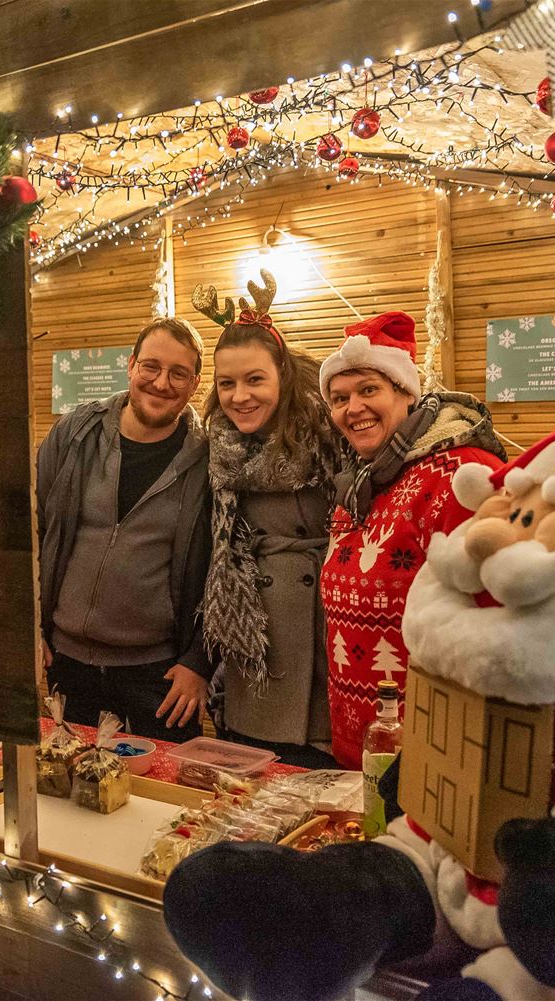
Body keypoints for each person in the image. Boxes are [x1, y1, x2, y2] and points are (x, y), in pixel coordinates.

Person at [164, 408, 555, 1001]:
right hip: (439, 849)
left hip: (543, 919)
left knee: (540, 974)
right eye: (508, 514)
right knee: (312, 900)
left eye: (526, 520)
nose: (489, 539)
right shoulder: (354, 478)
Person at [315, 311, 505, 766]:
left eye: (369, 390)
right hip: (359, 736)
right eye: (339, 398)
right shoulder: (359, 483)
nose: (353, 408)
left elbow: (492, 609)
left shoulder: (460, 471)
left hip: (431, 745)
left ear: (406, 392)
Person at [35, 317, 213, 741]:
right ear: (131, 365)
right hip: (67, 665)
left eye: (178, 373)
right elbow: (28, 531)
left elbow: (225, 571)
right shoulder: (74, 434)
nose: (161, 383)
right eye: (151, 366)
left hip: (162, 675)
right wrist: (30, 627)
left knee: (167, 786)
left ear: (194, 384)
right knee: (69, 777)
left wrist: (198, 662)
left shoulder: (209, 461)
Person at [192, 270, 340, 769]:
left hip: (325, 627)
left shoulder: (330, 433)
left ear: (283, 374)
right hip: (254, 638)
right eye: (227, 383)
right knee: (253, 781)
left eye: (255, 379)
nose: (240, 396)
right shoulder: (217, 447)